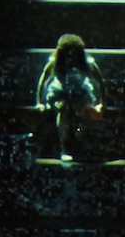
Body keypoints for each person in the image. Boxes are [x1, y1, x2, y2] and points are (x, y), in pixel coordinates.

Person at [36, 34, 105, 162]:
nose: (71, 55)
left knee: (83, 110)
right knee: (64, 110)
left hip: (81, 94)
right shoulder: (54, 63)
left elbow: (100, 82)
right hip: (60, 94)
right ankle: (64, 147)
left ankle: (80, 142)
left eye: (74, 52)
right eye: (68, 52)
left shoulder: (88, 64)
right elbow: (43, 81)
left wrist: (101, 103)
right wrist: (40, 102)